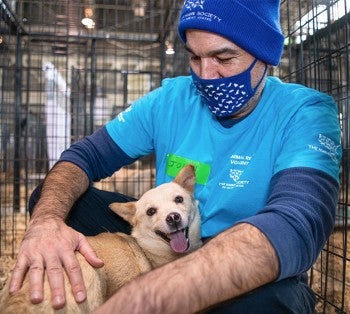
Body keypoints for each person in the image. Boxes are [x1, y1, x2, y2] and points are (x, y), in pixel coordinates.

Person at [9, 0, 342, 313]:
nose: (206, 76)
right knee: (52, 198)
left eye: (224, 59)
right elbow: (85, 156)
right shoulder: (171, 99)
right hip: (164, 240)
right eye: (195, 58)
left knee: (271, 303)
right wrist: (45, 223)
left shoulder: (306, 111)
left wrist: (151, 296)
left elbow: (297, 222)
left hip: (247, 260)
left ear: (265, 55)